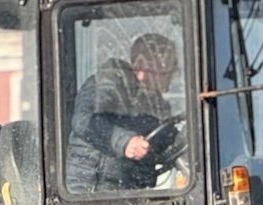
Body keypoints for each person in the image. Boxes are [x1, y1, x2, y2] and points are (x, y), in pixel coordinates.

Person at [66, 32, 179, 192]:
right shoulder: (108, 83)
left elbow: (164, 137)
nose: (173, 74)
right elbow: (83, 120)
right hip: (89, 189)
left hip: (124, 189)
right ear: (149, 65)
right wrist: (126, 142)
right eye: (169, 66)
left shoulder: (153, 101)